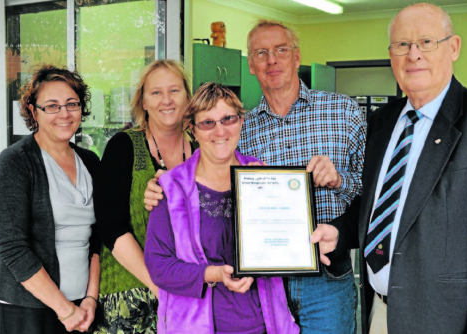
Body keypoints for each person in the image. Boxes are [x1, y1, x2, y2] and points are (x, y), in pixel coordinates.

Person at [316, 3, 467, 333]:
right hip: (379, 315)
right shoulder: (382, 122)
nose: (413, 54)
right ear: (391, 55)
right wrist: (341, 233)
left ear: (454, 47)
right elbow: (384, 206)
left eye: (427, 42)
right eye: (402, 44)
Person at [144, 20, 366, 333]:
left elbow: (375, 192)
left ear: (296, 56)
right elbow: (204, 183)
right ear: (250, 64)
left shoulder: (342, 111)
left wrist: (339, 180)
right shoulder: (240, 129)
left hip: (325, 279)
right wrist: (163, 187)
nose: (271, 60)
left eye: (280, 50)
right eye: (261, 53)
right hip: (263, 286)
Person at [144, 82, 299, 334]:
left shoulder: (264, 177)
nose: (220, 131)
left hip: (264, 326)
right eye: (207, 123)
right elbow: (158, 266)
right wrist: (213, 273)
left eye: (228, 119)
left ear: (240, 122)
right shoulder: (170, 188)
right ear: (192, 130)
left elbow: (285, 246)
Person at [0, 65, 101, 333]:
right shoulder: (15, 162)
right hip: (26, 307)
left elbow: (98, 237)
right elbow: (13, 247)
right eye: (52, 106)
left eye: (71, 104)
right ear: (33, 110)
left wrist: (90, 299)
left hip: (81, 307)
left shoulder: (90, 162)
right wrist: (64, 310)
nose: (64, 113)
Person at [93, 59, 196, 333]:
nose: (167, 100)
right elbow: (111, 228)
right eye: (156, 92)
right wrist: (160, 288)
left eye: (174, 90)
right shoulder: (124, 146)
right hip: (132, 299)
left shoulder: (201, 149)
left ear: (187, 96)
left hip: (191, 295)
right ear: (143, 102)